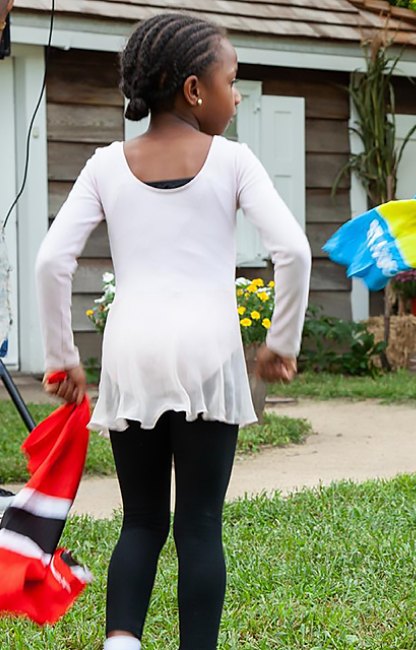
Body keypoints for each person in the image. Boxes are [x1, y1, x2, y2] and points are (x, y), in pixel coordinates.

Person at [34, 14, 312, 650]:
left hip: (133, 352)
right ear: (194, 90)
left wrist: (62, 357)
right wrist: (280, 344)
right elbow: (292, 252)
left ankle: (122, 641)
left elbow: (52, 262)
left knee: (140, 524)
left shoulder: (105, 163)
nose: (236, 95)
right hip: (208, 353)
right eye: (232, 81)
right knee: (199, 527)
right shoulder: (235, 162)